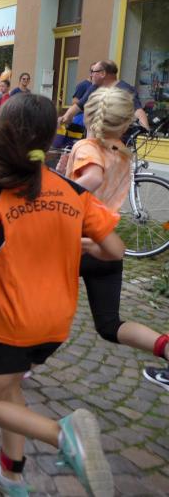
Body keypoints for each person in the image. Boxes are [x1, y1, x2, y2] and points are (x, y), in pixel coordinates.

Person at [0, 93, 122, 497]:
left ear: (2, 131)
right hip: (56, 324)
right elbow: (116, 250)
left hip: (8, 323)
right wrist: (79, 243)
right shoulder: (72, 191)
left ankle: (62, 435)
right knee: (10, 388)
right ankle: (12, 476)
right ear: (50, 137)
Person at [63, 87, 169, 391]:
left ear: (89, 116)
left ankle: (16, 365)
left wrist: (58, 191)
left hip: (75, 243)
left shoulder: (86, 147)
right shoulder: (122, 152)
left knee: (36, 303)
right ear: (124, 123)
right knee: (110, 324)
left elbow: (93, 178)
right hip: (106, 246)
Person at [61, 60, 150, 130]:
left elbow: (138, 111)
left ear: (103, 74)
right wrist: (66, 117)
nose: (91, 75)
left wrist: (145, 132)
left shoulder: (125, 89)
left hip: (117, 136)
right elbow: (79, 105)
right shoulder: (94, 87)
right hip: (95, 134)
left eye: (93, 72)